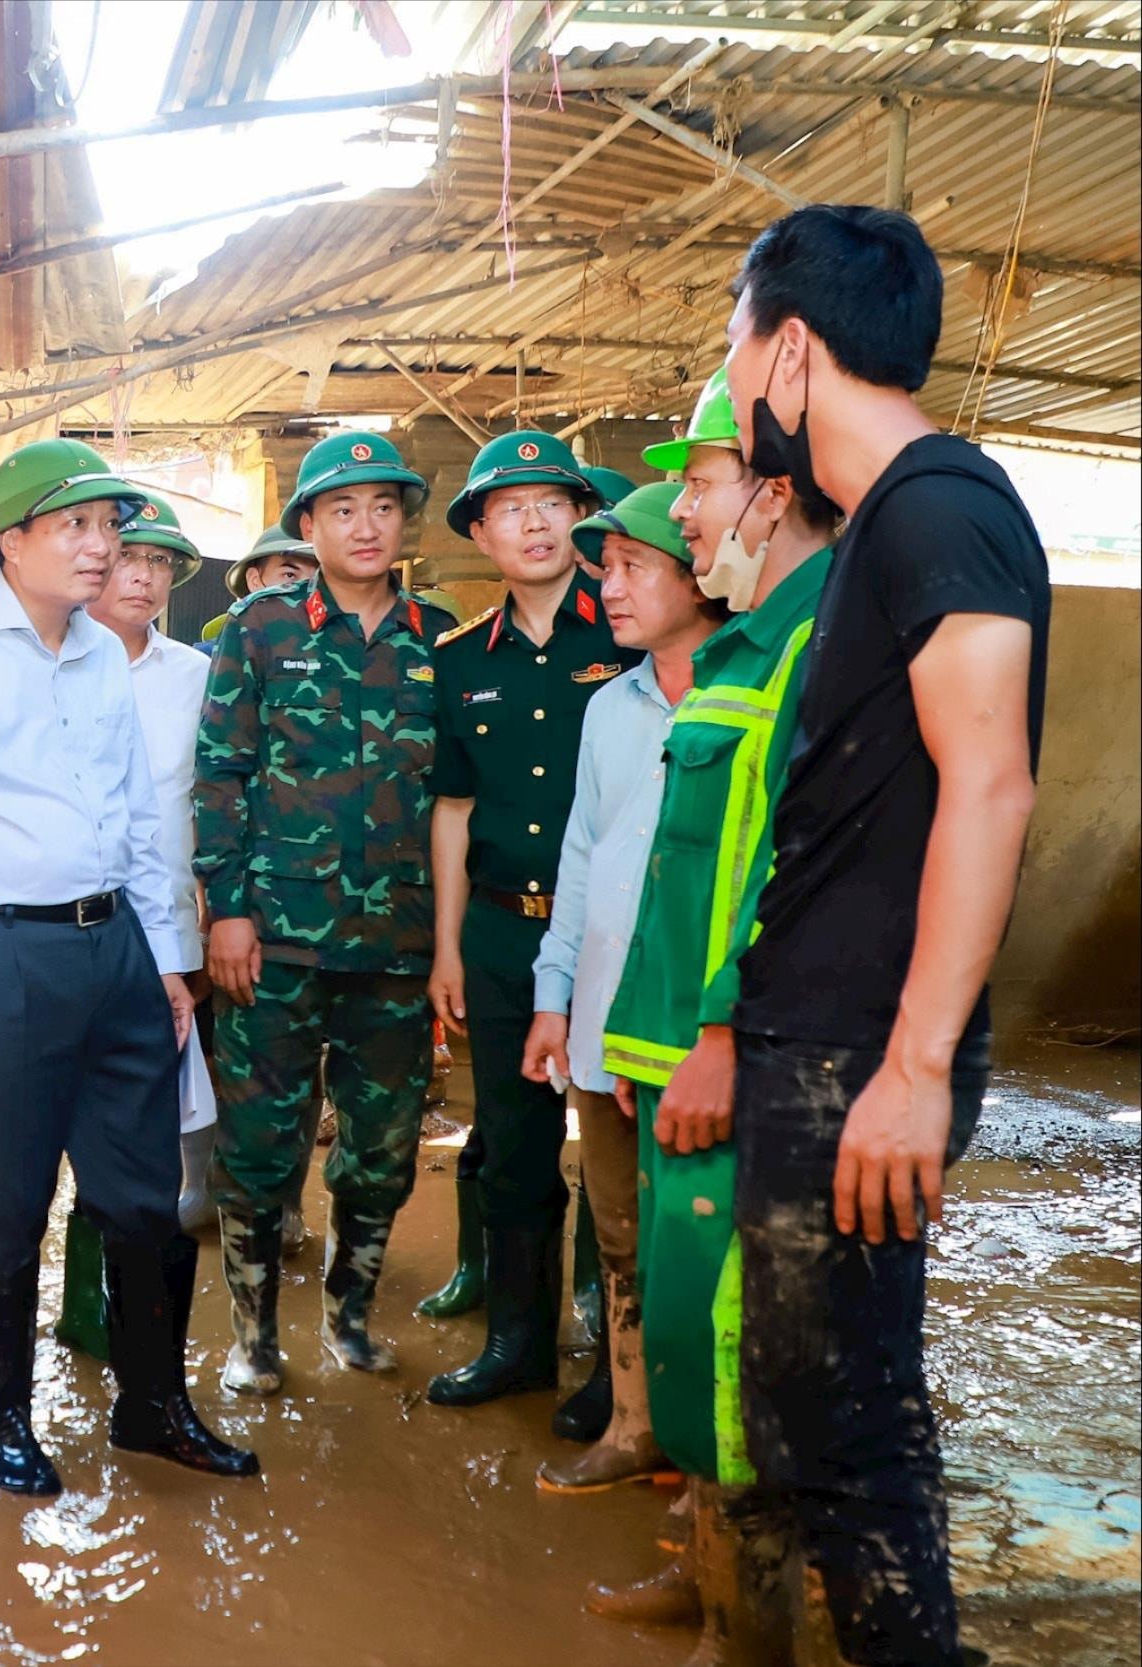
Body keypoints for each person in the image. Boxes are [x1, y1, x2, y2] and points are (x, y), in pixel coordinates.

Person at [721, 205, 1047, 1667]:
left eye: (735, 347)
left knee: (850, 1431)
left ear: (792, 350)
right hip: (823, 1040)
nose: (731, 386)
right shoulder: (881, 527)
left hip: (862, 1052)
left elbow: (992, 779)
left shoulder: (940, 505)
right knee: (819, 1408)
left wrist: (914, 1064)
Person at [0, 437, 255, 1496]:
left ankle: (152, 1403)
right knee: (5, 1206)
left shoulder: (101, 652)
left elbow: (137, 818)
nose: (103, 549)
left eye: (110, 527)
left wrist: (168, 965)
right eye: (77, 527)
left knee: (146, 1201)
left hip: (118, 955)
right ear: (12, 540)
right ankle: (4, 1418)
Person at [584, 364, 843, 1641]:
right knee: (691, 1338)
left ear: (773, 487)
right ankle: (701, 1566)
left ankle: (747, 1631)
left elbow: (791, 867)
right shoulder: (750, 638)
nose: (679, 513)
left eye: (695, 483)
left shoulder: (814, 641)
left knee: (740, 1363)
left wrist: (721, 1033)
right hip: (669, 1051)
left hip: (725, 1061)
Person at [194, 431, 451, 1389]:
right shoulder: (259, 632)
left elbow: (456, 800)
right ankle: (253, 1337)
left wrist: (447, 944)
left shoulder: (440, 638)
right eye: (343, 509)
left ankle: (350, 1320)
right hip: (274, 945)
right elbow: (220, 775)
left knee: (381, 1155)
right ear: (309, 525)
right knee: (260, 1152)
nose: (366, 525)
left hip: (398, 946)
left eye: (384, 507)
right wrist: (226, 910)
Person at [424, 429, 635, 1432]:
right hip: (506, 938)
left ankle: (618, 1368)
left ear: (583, 519)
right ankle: (514, 1341)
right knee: (509, 1145)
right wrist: (447, 949)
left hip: (613, 942)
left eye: (554, 501)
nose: (536, 520)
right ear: (480, 533)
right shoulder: (460, 659)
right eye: (510, 507)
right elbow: (454, 811)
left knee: (616, 1147)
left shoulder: (632, 633)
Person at [520, 484, 719, 1502]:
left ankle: (709, 1457)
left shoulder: (750, 693)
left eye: (633, 565)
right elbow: (582, 854)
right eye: (605, 569)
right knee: (620, 1239)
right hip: (603, 1019)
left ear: (701, 573)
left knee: (703, 1243)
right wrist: (555, 994)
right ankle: (637, 1424)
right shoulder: (609, 706)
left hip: (697, 1033)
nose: (609, 586)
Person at [53, 490, 214, 1364]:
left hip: (169, 936)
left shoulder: (195, 676)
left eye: (160, 565)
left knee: (149, 1138)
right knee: (71, 1128)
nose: (144, 577)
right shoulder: (52, 664)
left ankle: (136, 1325)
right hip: (71, 931)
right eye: (130, 558)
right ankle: (81, 1307)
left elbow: (213, 799)